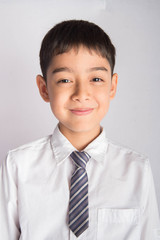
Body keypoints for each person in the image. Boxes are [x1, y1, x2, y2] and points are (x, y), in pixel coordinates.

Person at [0, 20, 159, 240]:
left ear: (112, 86)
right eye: (65, 80)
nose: (81, 94)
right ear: (44, 88)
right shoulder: (17, 166)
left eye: (96, 79)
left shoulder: (137, 170)